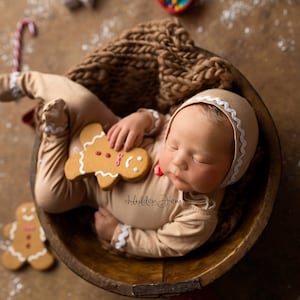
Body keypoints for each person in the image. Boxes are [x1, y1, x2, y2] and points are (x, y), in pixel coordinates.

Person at [0, 71, 259, 258]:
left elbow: (163, 244)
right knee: (80, 102)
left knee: (48, 197)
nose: (179, 161)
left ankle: (55, 133)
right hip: (104, 132)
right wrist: (140, 120)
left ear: (233, 169)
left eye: (200, 159)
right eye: (174, 145)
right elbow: (160, 122)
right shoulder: (176, 126)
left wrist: (119, 234)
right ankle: (21, 82)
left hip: (87, 189)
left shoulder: (198, 216)